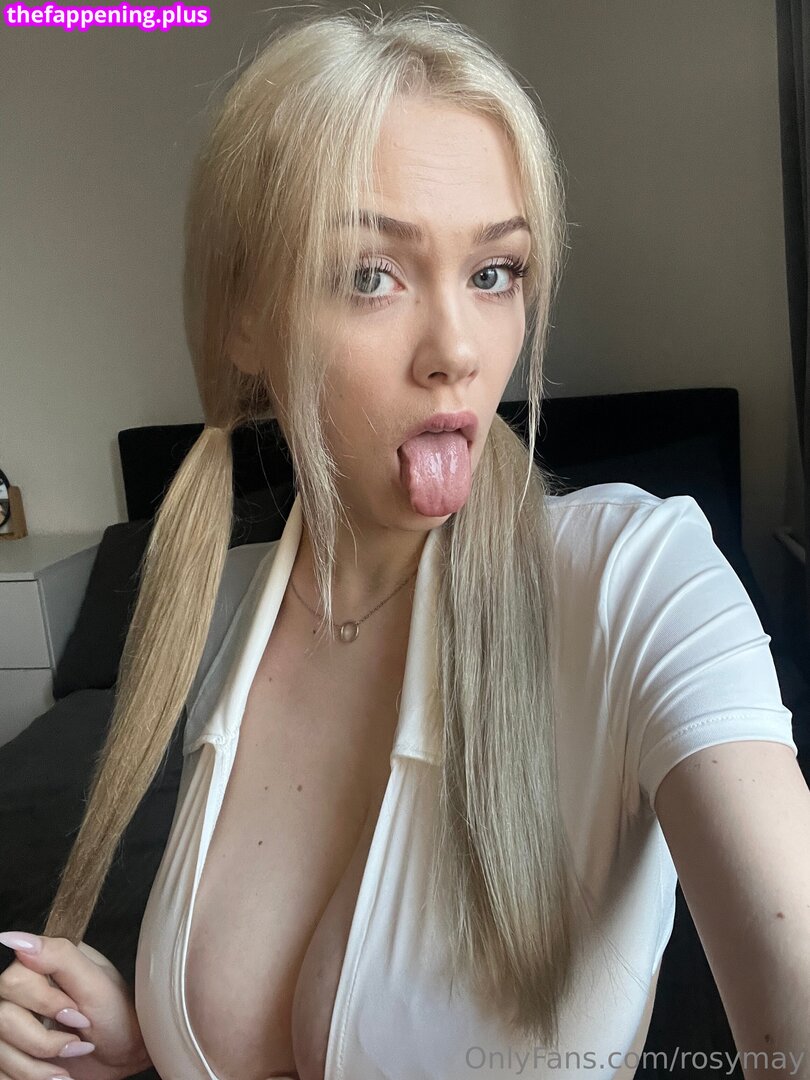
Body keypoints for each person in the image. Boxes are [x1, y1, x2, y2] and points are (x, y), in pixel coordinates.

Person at [1, 6, 809, 1080]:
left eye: (495, 272)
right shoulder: (222, 615)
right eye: (370, 275)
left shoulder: (636, 579)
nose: (458, 352)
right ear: (245, 319)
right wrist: (146, 1043)